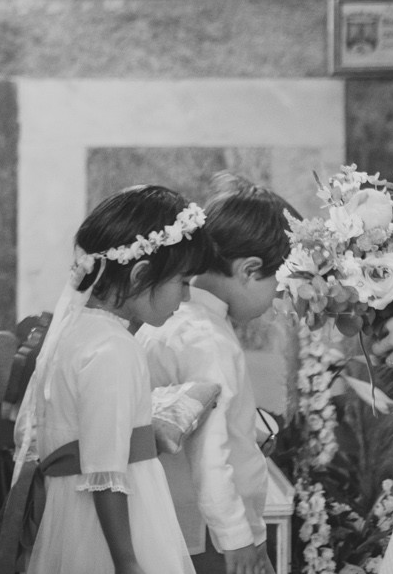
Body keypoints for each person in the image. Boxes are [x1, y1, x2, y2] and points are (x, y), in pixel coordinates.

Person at [8, 186, 217, 574]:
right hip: (113, 528)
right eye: (183, 282)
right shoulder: (112, 349)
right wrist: (126, 561)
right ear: (141, 274)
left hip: (75, 512)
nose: (185, 298)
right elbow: (105, 473)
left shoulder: (79, 333)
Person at [139, 176, 295, 574]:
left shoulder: (182, 319)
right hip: (206, 529)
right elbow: (211, 451)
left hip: (183, 515)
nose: (274, 304)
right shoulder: (206, 337)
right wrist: (237, 538)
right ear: (249, 270)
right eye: (277, 290)